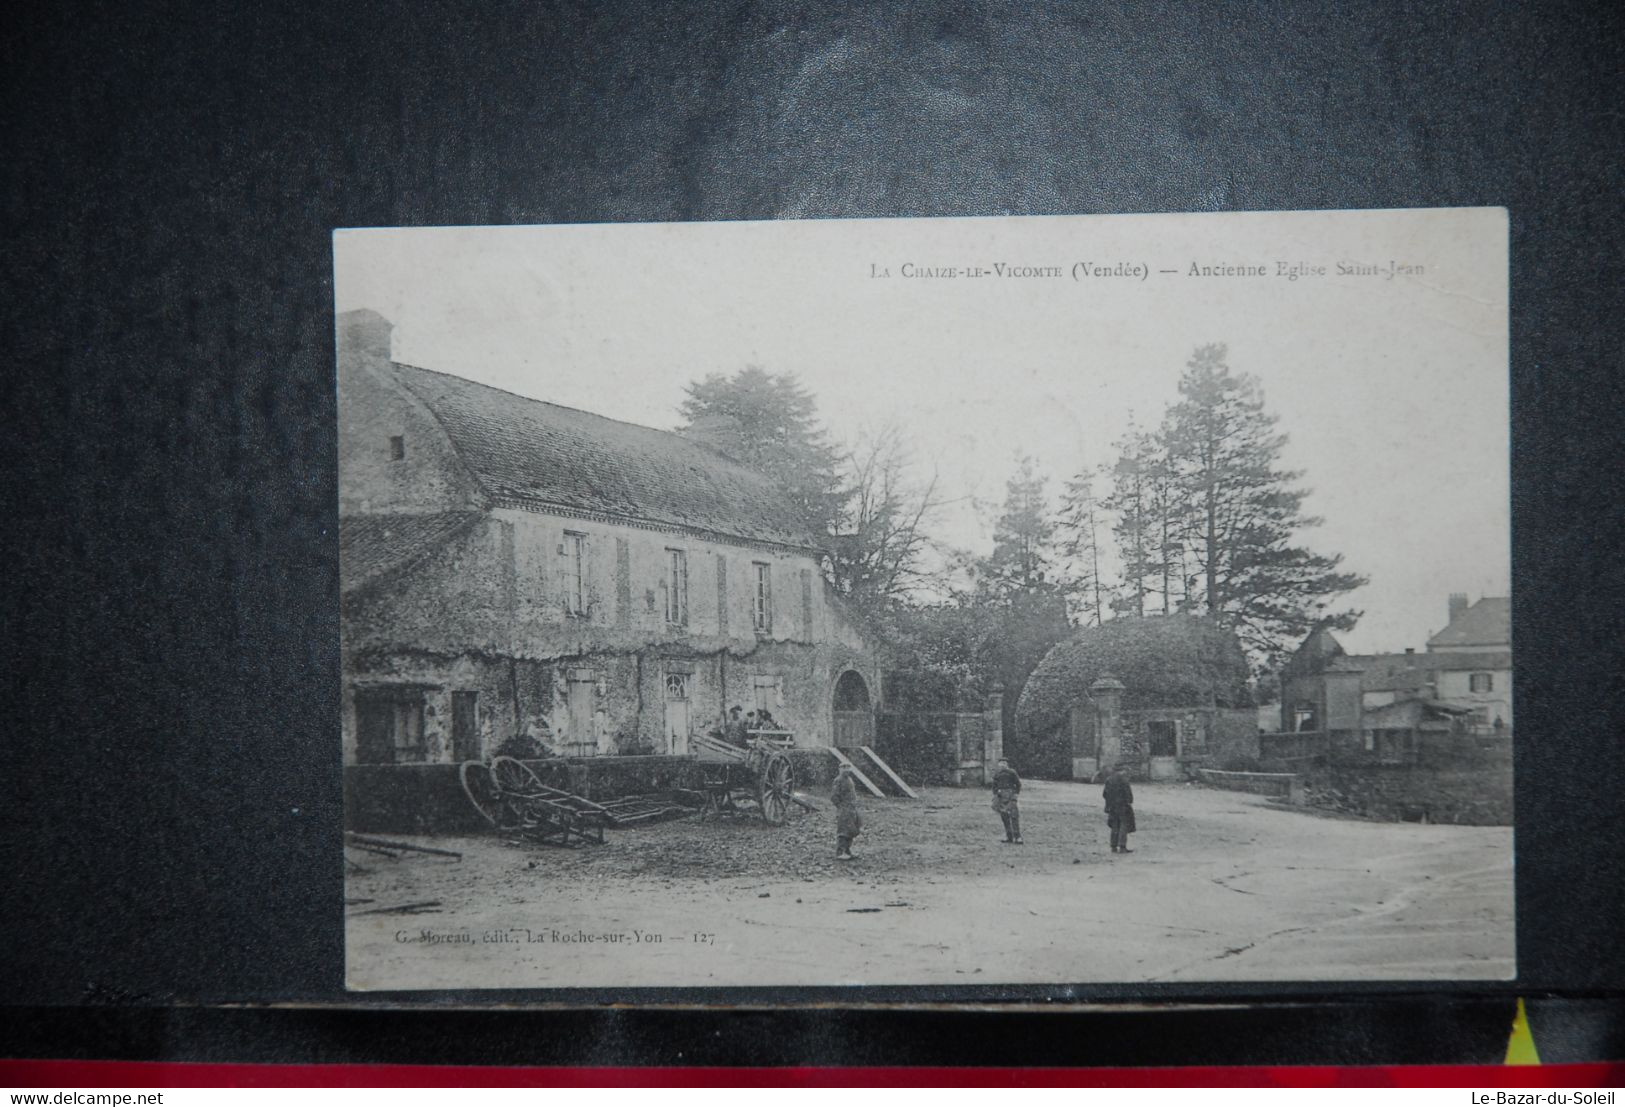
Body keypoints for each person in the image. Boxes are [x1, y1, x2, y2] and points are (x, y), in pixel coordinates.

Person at [831, 763, 862, 860]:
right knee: (843, 831)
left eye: (848, 767)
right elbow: (834, 797)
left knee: (852, 829)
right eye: (844, 768)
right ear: (839, 769)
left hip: (852, 808)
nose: (846, 770)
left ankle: (848, 850)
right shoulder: (838, 780)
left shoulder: (850, 779)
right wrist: (841, 807)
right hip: (844, 809)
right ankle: (839, 853)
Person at [1103, 765, 1136, 853]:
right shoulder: (1124, 780)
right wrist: (1129, 801)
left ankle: (1113, 846)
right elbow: (1128, 794)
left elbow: (1104, 794)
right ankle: (1122, 846)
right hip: (1123, 806)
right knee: (1123, 825)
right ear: (1122, 770)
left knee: (1114, 825)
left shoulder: (1109, 779)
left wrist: (1109, 804)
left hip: (1112, 806)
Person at [990, 758, 1023, 844]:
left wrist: (1015, 795)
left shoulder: (1012, 773)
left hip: (1011, 796)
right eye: (1000, 763)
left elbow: (1018, 785)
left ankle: (1018, 837)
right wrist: (996, 793)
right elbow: (994, 785)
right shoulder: (997, 774)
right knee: (1004, 817)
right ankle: (1009, 836)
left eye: (1004, 763)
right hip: (1001, 796)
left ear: (1007, 764)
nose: (1002, 765)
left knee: (1014, 816)